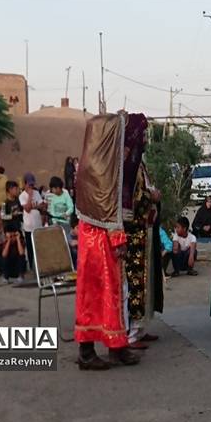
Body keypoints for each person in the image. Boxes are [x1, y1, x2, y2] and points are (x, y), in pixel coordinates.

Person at [74, 113, 140, 370]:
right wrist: (118, 237)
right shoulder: (100, 170)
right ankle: (86, 352)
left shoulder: (97, 164)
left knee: (113, 293)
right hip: (97, 240)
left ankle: (117, 345)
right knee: (94, 295)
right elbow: (107, 208)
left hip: (97, 238)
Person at [121, 113, 164, 349]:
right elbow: (132, 197)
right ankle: (131, 333)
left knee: (143, 279)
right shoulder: (128, 165)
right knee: (133, 280)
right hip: (132, 231)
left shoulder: (139, 163)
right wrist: (151, 196)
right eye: (144, 134)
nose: (146, 139)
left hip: (143, 231)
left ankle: (140, 327)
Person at [19, 173, 45, 271]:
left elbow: (41, 205)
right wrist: (30, 197)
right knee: (30, 247)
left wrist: (36, 206)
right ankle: (31, 266)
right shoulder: (22, 196)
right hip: (29, 226)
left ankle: (40, 265)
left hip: (38, 225)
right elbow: (27, 209)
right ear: (25, 184)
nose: (31, 187)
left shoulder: (37, 193)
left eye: (32, 185)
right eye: (29, 185)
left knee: (39, 247)